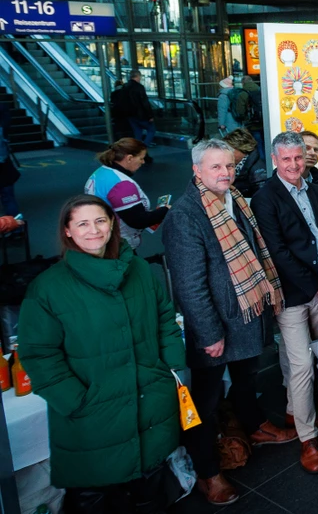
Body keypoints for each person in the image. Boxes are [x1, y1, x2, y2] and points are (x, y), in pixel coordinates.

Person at [19, 195, 185, 511]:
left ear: (112, 224)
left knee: (150, 493)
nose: (93, 230)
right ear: (67, 231)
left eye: (100, 220)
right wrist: (77, 402)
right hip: (92, 417)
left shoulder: (138, 268)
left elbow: (165, 318)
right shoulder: (48, 287)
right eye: (82, 223)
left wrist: (171, 369)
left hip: (150, 402)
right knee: (96, 499)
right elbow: (38, 354)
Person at [162, 139, 297, 505]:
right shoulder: (186, 215)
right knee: (205, 403)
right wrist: (208, 334)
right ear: (196, 171)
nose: (225, 173)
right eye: (216, 167)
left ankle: (254, 427)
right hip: (216, 325)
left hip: (245, 313)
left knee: (245, 377)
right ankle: (208, 472)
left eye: (229, 166)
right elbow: (189, 286)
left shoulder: (233, 197)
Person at [250, 132, 318, 473]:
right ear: (275, 160)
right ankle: (307, 435)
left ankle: (296, 409)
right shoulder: (265, 198)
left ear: (306, 158)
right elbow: (278, 253)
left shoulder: (316, 190)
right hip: (291, 294)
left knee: (308, 353)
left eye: (298, 158)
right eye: (285, 159)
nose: (293, 165)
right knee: (301, 364)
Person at [85, 138, 169, 250]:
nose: (143, 162)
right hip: (118, 244)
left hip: (101, 238)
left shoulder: (101, 172)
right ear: (129, 158)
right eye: (141, 158)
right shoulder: (122, 184)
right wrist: (165, 210)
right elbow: (138, 221)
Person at [225, 128, 269, 198]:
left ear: (242, 148)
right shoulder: (240, 166)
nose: (227, 153)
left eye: (230, 150)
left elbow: (262, 199)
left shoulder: (258, 171)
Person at [125, 70, 156, 148]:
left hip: (130, 115)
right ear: (138, 76)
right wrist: (150, 115)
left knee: (137, 132)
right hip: (141, 114)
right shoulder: (139, 87)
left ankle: (137, 149)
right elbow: (144, 102)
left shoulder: (125, 87)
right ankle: (143, 147)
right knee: (151, 129)